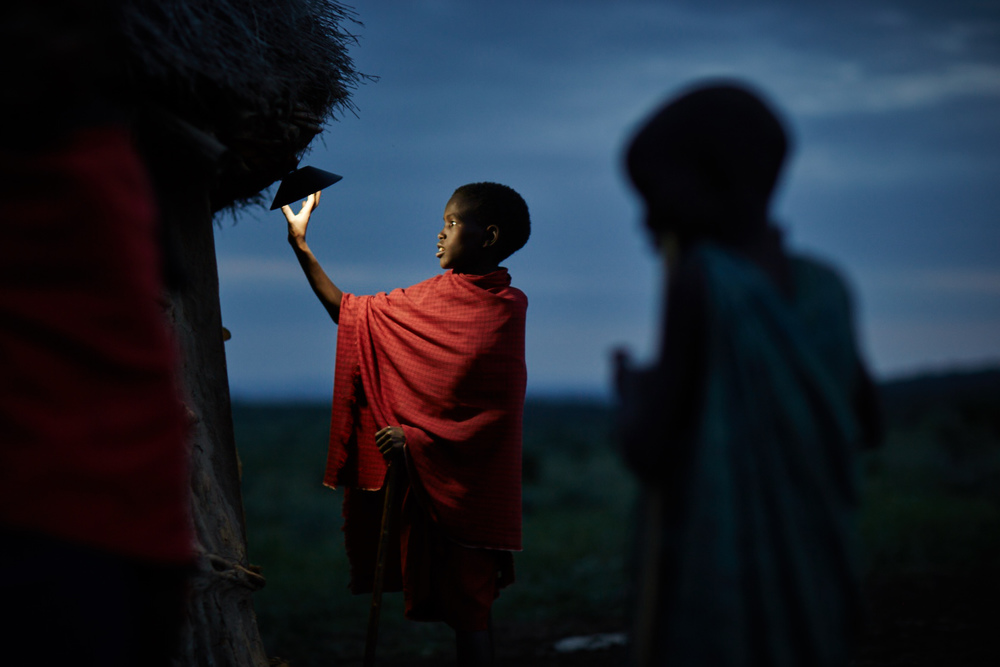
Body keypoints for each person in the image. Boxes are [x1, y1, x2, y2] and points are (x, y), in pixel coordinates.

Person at [613, 81, 882, 666]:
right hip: (817, 565)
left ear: (716, 181)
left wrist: (633, 392)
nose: (649, 216)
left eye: (655, 192)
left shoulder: (705, 283)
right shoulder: (829, 288)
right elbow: (867, 419)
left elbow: (649, 449)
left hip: (719, 572)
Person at [282, 182, 530, 666]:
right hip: (424, 476)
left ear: (489, 235)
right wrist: (300, 246)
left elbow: (495, 413)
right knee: (466, 608)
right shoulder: (427, 299)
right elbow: (353, 315)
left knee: (472, 612)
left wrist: (416, 440)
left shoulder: (506, 309)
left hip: (472, 487)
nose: (439, 235)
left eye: (453, 223)